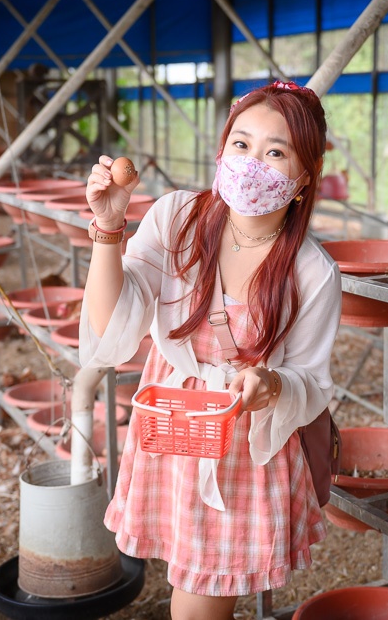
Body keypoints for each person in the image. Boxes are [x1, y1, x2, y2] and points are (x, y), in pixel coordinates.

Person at [78, 80, 341, 620]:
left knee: (201, 599)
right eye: (241, 144)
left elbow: (311, 383)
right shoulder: (178, 218)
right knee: (194, 586)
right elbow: (112, 330)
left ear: (302, 179)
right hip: (173, 427)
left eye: (276, 152)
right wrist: (109, 227)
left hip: (245, 443)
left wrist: (271, 384)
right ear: (222, 150)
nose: (251, 163)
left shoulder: (312, 271)